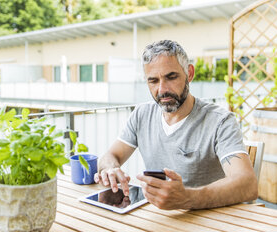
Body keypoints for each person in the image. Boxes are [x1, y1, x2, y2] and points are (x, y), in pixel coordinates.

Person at [94, 40, 258, 210]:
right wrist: (110, 169)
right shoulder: (141, 115)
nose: (162, 89)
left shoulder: (220, 121)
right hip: (158, 218)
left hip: (208, 221)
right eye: (153, 81)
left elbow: (248, 185)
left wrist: (188, 198)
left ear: (190, 73)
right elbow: (111, 155)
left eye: (171, 77)